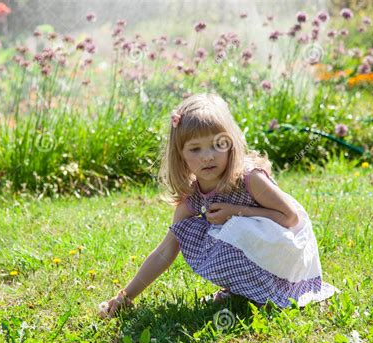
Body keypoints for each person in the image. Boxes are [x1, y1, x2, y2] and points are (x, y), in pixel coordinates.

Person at [99, 93, 337, 318]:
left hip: (287, 244)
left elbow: (291, 218)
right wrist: (125, 296)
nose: (208, 156)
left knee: (237, 228)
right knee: (199, 232)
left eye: (217, 145)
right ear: (180, 155)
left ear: (231, 144)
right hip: (259, 245)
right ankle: (244, 290)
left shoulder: (249, 179)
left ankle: (274, 291)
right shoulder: (192, 197)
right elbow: (165, 251)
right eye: (195, 149)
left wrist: (237, 212)